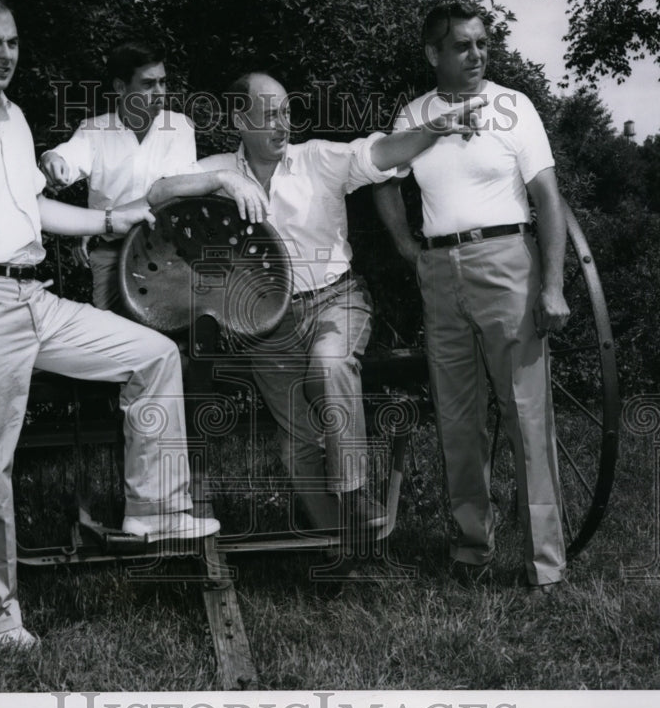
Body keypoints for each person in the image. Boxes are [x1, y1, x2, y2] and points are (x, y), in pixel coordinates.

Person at [0, 0, 219, 651]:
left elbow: (34, 211)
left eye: (12, 41)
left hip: (33, 298)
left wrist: (108, 220)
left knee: (154, 356)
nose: (5, 53)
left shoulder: (13, 120)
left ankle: (157, 511)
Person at [178, 72, 484, 533]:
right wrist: (222, 179)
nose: (283, 125)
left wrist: (436, 127)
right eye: (269, 116)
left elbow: (379, 153)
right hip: (266, 321)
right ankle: (335, 545)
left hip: (335, 300)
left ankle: (354, 490)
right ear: (239, 120)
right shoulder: (213, 171)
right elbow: (157, 193)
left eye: (286, 112)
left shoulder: (316, 158)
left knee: (329, 363)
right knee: (297, 439)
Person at [373, 1, 570, 595]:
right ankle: (470, 547)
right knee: (458, 419)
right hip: (439, 270)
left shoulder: (516, 108)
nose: (477, 55)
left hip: (507, 262)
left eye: (483, 43)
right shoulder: (414, 113)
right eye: (462, 46)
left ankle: (546, 566)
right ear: (434, 53)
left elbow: (548, 199)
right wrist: (410, 247)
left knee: (526, 416)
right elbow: (383, 179)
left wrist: (554, 285)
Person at [39, 41, 265, 310]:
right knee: (113, 341)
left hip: (168, 252)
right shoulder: (94, 131)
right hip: (112, 256)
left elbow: (167, 191)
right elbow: (64, 157)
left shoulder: (179, 127)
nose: (159, 93)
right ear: (121, 87)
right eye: (148, 84)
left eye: (163, 83)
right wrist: (51, 160)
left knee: (170, 340)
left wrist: (224, 177)